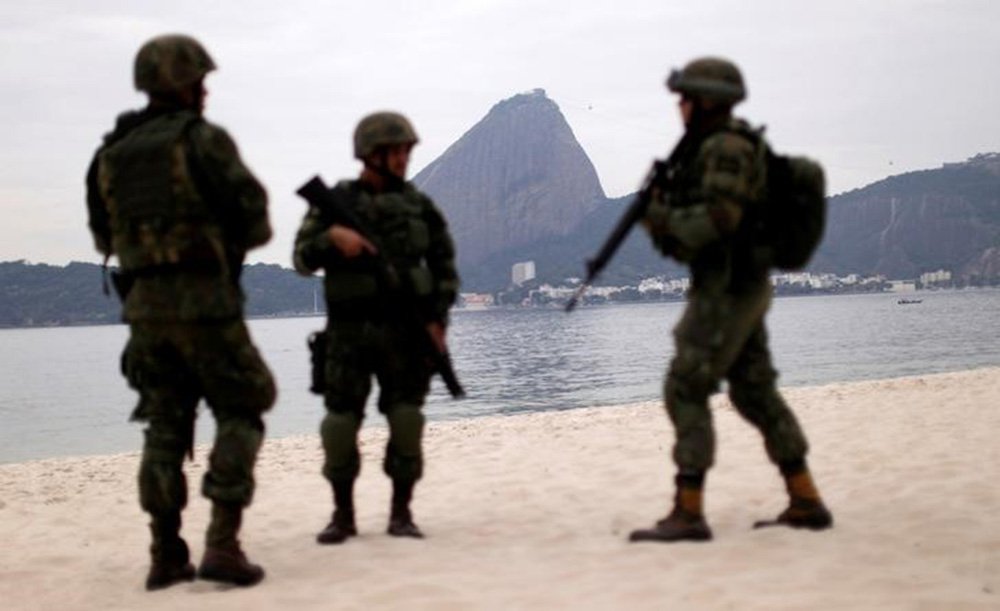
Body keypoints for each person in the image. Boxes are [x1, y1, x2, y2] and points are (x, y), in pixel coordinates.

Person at [85, 34, 276, 587]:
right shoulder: (203, 141)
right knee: (245, 405)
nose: (205, 91)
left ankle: (165, 553)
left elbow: (104, 235)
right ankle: (222, 544)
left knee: (165, 425)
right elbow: (257, 222)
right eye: (200, 82)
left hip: (144, 308)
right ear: (185, 85)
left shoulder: (110, 155)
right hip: (206, 304)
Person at [629, 57, 833, 542]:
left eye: (685, 98)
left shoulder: (724, 148)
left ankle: (689, 510)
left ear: (705, 100)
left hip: (727, 289)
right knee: (754, 389)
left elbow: (718, 222)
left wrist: (660, 216)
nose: (679, 106)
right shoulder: (720, 145)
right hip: (740, 285)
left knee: (685, 386)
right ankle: (805, 499)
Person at [293, 112, 459, 544]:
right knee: (339, 426)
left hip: (406, 333)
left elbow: (444, 267)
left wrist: (438, 320)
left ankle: (401, 513)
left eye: (407, 151)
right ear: (371, 154)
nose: (404, 158)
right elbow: (301, 258)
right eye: (396, 151)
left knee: (406, 420)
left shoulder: (420, 206)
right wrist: (333, 240)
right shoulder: (336, 202)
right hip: (348, 334)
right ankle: (342, 515)